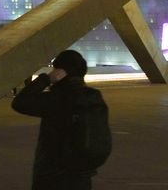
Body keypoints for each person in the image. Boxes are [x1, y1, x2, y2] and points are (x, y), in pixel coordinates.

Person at [11, 49, 110, 189]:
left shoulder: (57, 99)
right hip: (82, 175)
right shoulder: (94, 97)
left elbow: (20, 102)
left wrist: (46, 79)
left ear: (60, 72)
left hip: (54, 176)